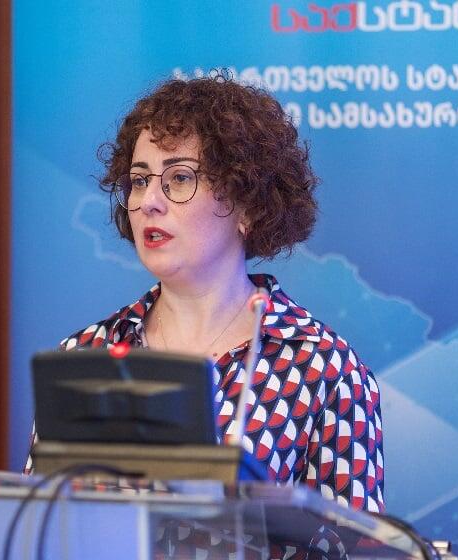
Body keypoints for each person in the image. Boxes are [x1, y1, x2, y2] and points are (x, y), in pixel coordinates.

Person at [35, 76, 384, 521]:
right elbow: (36, 527)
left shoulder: (323, 368)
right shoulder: (85, 357)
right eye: (139, 181)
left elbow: (356, 546)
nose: (149, 202)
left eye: (179, 178)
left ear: (249, 205)